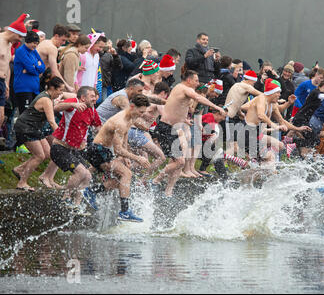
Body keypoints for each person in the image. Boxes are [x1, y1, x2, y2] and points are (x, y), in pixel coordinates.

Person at [151, 70, 226, 197]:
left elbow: (177, 107)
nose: (197, 83)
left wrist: (184, 119)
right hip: (166, 128)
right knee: (179, 162)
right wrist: (217, 107)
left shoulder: (183, 90)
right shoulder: (183, 88)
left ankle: (168, 192)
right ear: (189, 80)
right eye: (196, 80)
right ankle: (155, 180)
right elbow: (198, 97)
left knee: (179, 163)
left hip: (176, 129)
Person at [84, 94, 151, 222]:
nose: (142, 115)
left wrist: (125, 157)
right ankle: (125, 212)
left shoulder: (130, 117)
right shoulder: (120, 121)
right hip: (98, 151)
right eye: (141, 111)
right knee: (127, 174)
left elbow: (124, 138)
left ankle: (91, 191)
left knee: (121, 181)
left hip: (104, 151)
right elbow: (118, 148)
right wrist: (138, 158)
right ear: (132, 106)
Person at [50, 86, 102, 210]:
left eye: (95, 96)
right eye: (92, 96)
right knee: (81, 172)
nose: (95, 99)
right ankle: (65, 198)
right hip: (60, 148)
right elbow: (55, 107)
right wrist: (74, 105)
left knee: (88, 176)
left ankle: (77, 205)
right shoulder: (75, 103)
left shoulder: (93, 110)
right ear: (83, 98)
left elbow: (99, 128)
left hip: (73, 150)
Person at [239, 79, 311, 167]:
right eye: (278, 93)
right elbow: (261, 115)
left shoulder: (272, 104)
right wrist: (273, 125)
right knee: (270, 157)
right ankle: (258, 165)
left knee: (279, 145)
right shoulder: (261, 98)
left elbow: (282, 121)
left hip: (257, 134)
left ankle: (255, 164)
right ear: (272, 93)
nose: (280, 95)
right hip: (247, 133)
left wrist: (298, 128)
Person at [12, 77, 65, 191]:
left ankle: (20, 169)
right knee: (39, 156)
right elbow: (51, 121)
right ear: (52, 88)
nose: (61, 93)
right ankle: (22, 183)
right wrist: (62, 137)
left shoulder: (49, 97)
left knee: (47, 154)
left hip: (35, 128)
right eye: (60, 90)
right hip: (25, 128)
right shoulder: (46, 100)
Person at [223, 70, 263, 155]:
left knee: (236, 145)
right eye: (253, 83)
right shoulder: (245, 86)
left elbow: (234, 102)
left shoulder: (237, 85)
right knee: (233, 146)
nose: (253, 85)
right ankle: (219, 161)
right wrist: (273, 98)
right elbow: (260, 95)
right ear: (250, 80)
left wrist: (239, 112)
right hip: (228, 117)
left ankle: (225, 163)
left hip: (231, 117)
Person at [0, 13, 29, 130]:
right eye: (20, 36)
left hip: (2, 82)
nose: (20, 40)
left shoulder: (9, 44)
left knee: (1, 117)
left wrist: (6, 83)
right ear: (14, 32)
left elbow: (6, 65)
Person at [13, 31, 45, 114]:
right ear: (27, 41)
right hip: (23, 88)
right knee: (25, 115)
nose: (35, 45)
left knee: (33, 115)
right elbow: (31, 69)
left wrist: (35, 67)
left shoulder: (34, 51)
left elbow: (43, 67)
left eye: (37, 43)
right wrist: (36, 67)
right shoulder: (21, 51)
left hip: (34, 89)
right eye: (33, 43)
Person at [36, 24, 74, 92]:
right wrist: (67, 86)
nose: (64, 43)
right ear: (56, 36)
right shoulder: (52, 48)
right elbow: (55, 71)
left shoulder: (45, 42)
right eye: (63, 40)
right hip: (34, 78)